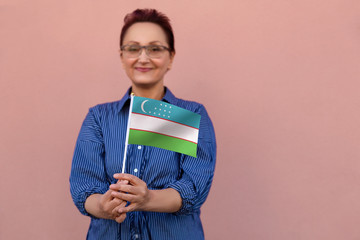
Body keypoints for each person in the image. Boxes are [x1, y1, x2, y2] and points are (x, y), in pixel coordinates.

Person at [70, 8, 216, 240]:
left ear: (171, 57)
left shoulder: (189, 115)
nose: (143, 57)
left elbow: (193, 189)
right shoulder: (99, 117)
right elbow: (84, 186)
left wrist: (147, 199)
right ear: (121, 57)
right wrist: (103, 206)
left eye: (155, 48)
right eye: (133, 48)